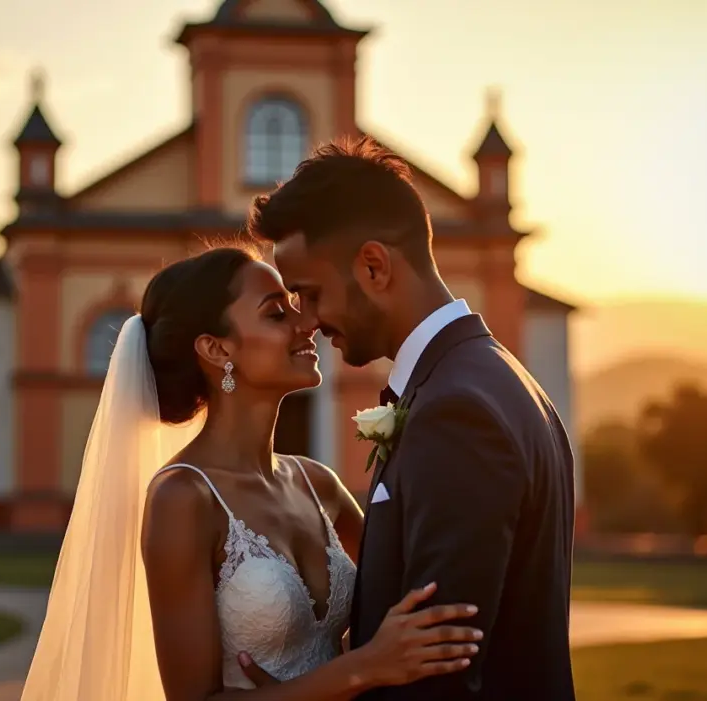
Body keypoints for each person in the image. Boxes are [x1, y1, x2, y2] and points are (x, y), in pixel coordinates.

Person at [19, 245, 483, 701]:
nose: (309, 324)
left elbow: (406, 590)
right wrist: (361, 670)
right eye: (277, 314)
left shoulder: (318, 484)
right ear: (216, 349)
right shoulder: (182, 498)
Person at [244, 136, 577, 700]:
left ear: (374, 265)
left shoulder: (456, 412)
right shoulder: (495, 378)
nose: (310, 322)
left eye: (312, 293)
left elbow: (437, 677)